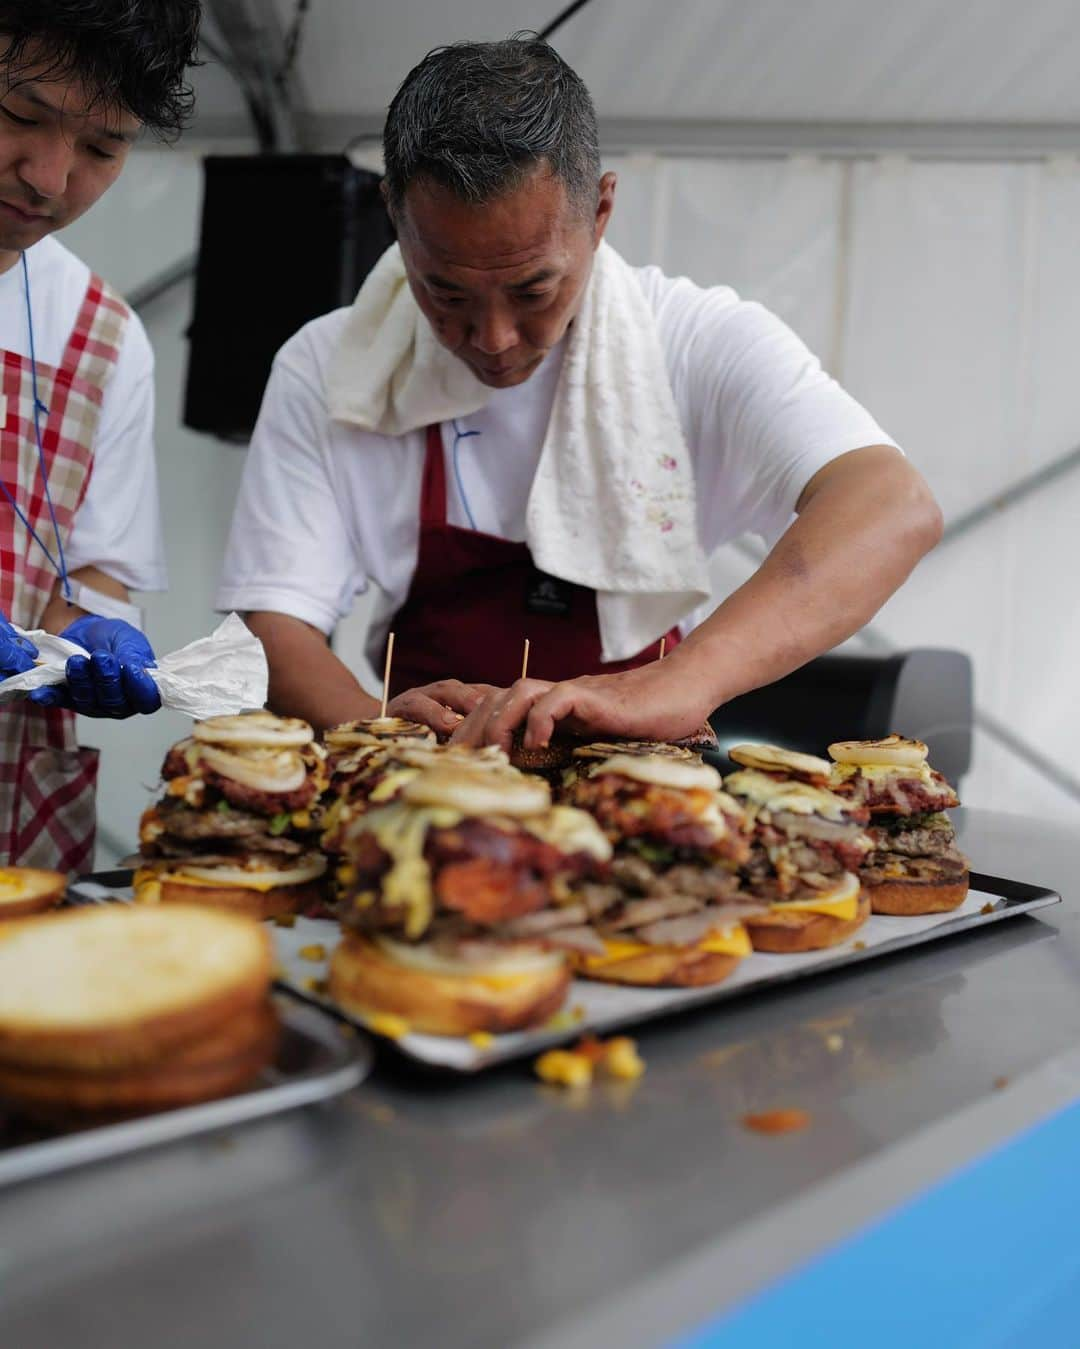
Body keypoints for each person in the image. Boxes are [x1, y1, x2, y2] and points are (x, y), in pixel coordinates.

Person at [220, 34, 942, 753]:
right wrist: (372, 733)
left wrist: (679, 682)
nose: (494, 337)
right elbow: (275, 619)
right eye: (446, 292)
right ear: (394, 216)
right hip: (411, 790)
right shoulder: (331, 366)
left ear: (600, 213)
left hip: (640, 799)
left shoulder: (696, 344)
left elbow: (891, 504)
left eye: (534, 289)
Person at [0, 1, 201, 871]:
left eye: (102, 148)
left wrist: (91, 632)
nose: (48, 177)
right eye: (20, 116)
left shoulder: (101, 336)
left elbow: (82, 585)